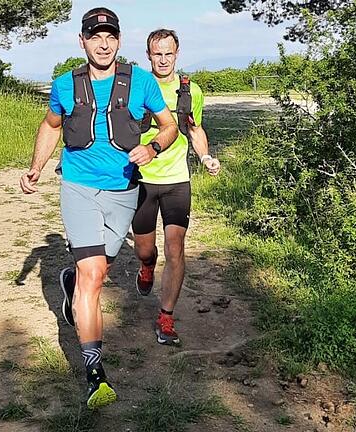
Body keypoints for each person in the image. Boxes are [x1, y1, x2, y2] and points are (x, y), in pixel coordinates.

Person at [19, 7, 178, 409]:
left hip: (124, 189)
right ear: (82, 41)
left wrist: (154, 146)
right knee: (94, 275)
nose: (103, 43)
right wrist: (36, 167)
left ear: (119, 41)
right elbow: (51, 126)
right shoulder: (63, 85)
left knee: (99, 267)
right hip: (78, 186)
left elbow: (169, 125)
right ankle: (95, 374)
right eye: (95, 36)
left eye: (110, 36)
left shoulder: (140, 82)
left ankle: (69, 282)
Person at [132, 29, 221, 346]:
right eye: (158, 54)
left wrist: (206, 156)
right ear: (149, 55)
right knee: (145, 247)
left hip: (176, 180)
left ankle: (166, 318)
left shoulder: (190, 91)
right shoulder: (135, 87)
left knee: (175, 248)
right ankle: (145, 265)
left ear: (177, 53)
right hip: (141, 179)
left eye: (169, 53)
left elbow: (195, 129)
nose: (164, 59)